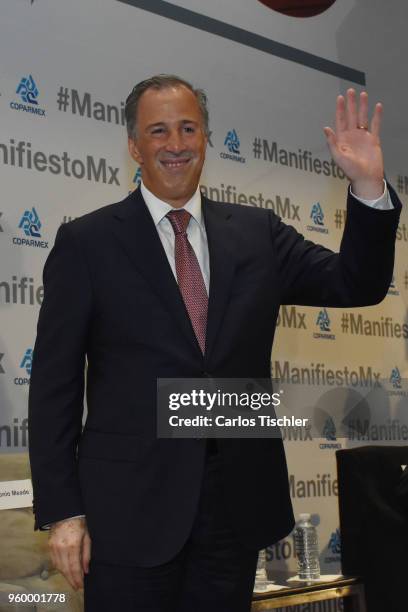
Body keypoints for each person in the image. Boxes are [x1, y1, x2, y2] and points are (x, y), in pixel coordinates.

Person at [28, 74, 401, 612]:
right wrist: (64, 513)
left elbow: (356, 283)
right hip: (128, 517)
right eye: (158, 131)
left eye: (188, 128)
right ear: (134, 145)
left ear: (205, 138)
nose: (175, 144)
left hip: (235, 512)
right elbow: (54, 388)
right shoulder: (87, 243)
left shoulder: (257, 233)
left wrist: (368, 187)